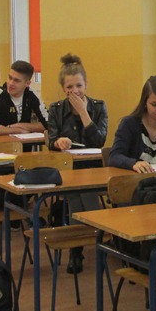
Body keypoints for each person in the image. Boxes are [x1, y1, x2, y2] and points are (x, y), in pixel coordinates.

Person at [46, 53, 108, 273]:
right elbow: (51, 141)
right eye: (70, 87)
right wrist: (58, 142)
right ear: (63, 88)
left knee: (85, 196)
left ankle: (87, 244)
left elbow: (99, 141)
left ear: (86, 84)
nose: (75, 91)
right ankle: (82, 246)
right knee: (75, 197)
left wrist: (83, 113)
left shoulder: (98, 107)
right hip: (69, 168)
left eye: (79, 85)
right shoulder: (56, 109)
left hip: (93, 168)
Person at [0, 60, 49, 135]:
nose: (10, 83)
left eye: (16, 80)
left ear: (27, 83)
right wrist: (18, 131)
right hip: (3, 141)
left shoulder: (32, 94)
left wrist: (18, 125)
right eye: (10, 78)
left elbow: (48, 123)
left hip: (26, 141)